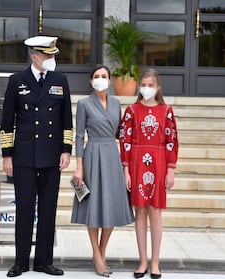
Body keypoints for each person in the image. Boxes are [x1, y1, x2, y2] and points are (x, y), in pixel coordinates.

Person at [0, 35, 73, 277]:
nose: (52, 59)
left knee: (48, 209)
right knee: (23, 208)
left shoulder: (60, 80)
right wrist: (7, 155)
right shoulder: (17, 81)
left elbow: (67, 120)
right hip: (24, 156)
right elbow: (7, 121)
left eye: (53, 55)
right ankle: (20, 262)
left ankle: (43, 261)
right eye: (48, 55)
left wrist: (66, 150)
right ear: (35, 57)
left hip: (52, 156)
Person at [71, 64, 135, 277]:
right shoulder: (84, 104)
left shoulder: (117, 104)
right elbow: (79, 136)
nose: (100, 79)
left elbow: (122, 134)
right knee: (94, 206)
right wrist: (79, 167)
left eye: (104, 76)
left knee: (111, 205)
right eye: (96, 76)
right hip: (92, 155)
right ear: (91, 81)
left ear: (109, 80)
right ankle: (96, 255)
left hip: (112, 156)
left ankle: (102, 250)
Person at [119, 68, 179, 279]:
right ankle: (142, 260)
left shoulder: (166, 111)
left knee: (155, 211)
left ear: (158, 87)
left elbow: (172, 140)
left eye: (150, 85)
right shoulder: (132, 110)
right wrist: (125, 170)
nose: (146, 89)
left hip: (159, 163)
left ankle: (155, 262)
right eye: (143, 85)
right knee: (140, 212)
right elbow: (125, 140)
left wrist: (170, 170)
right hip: (136, 163)